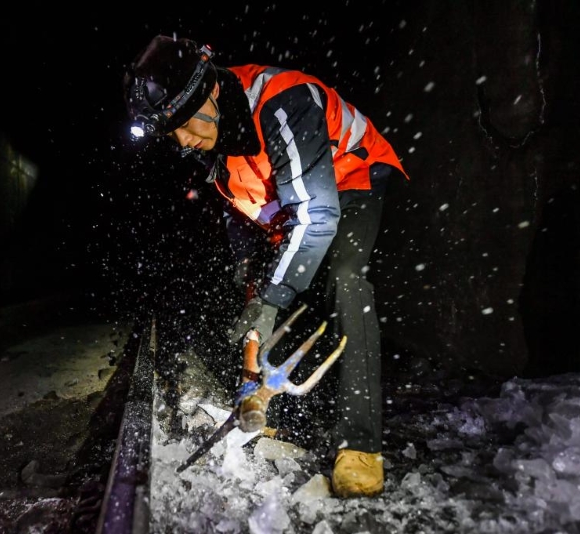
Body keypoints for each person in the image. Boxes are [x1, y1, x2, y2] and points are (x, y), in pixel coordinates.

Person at [122, 35, 408, 498]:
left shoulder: (280, 102)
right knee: (266, 284)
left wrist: (275, 295)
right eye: (170, 132)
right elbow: (247, 236)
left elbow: (316, 215)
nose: (183, 140)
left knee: (343, 276)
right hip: (290, 206)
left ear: (210, 92)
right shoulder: (209, 151)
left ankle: (360, 445)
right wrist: (253, 294)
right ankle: (260, 392)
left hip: (352, 174)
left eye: (185, 123)